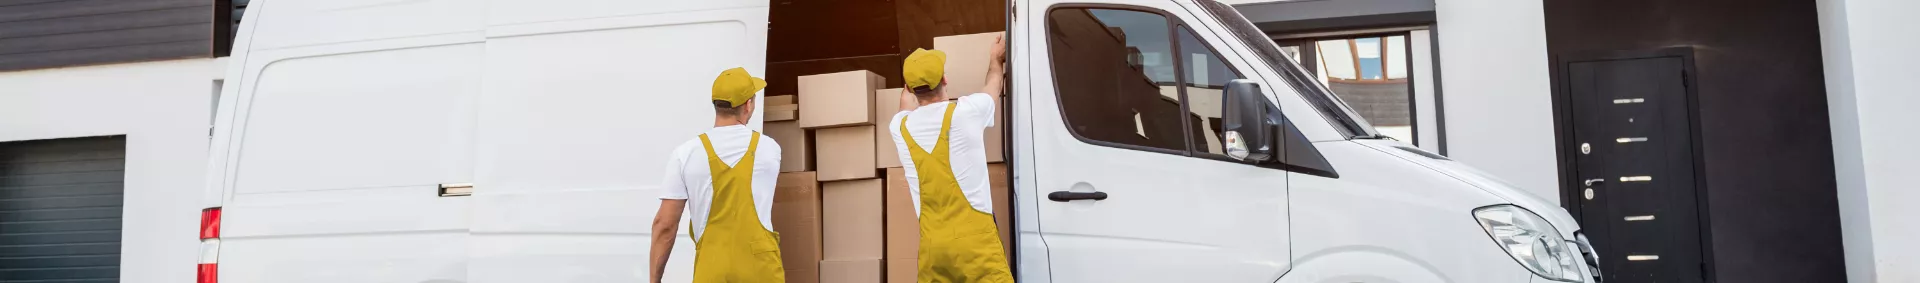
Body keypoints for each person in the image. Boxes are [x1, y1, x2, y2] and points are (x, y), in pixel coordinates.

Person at [889, 36, 1012, 282]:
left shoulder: (899, 127)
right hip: (975, 247)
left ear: (910, 89)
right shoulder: (967, 112)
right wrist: (995, 59)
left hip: (934, 251)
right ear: (945, 80)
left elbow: (904, 106)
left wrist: (909, 88)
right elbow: (993, 85)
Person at [649, 67, 784, 283]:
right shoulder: (770, 150)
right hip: (760, 268)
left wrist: (654, 280)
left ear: (716, 105)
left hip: (712, 270)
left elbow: (664, 224)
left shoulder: (685, 154)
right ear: (748, 105)